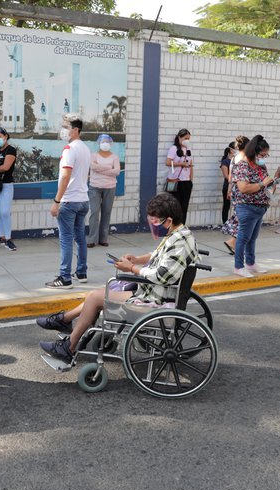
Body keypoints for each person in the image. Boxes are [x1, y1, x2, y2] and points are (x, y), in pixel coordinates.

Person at [38, 193, 198, 362]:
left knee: (94, 297)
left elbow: (160, 275)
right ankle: (64, 320)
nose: (153, 225)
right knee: (99, 294)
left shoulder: (179, 242)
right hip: (153, 291)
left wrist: (132, 268)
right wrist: (137, 260)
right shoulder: (179, 234)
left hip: (155, 300)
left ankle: (68, 345)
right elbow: (158, 256)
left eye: (155, 221)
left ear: (169, 220)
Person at [46, 113, 91, 289]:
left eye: (66, 127)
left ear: (75, 130)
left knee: (66, 239)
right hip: (83, 200)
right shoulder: (86, 149)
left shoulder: (69, 149)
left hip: (69, 201)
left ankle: (65, 277)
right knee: (80, 237)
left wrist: (56, 201)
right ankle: (81, 272)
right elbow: (85, 175)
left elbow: (65, 175)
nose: (63, 130)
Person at [231, 135, 274, 278]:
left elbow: (267, 181)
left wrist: (271, 185)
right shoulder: (242, 165)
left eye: (266, 154)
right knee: (243, 237)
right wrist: (263, 184)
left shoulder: (261, 165)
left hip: (260, 207)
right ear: (254, 152)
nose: (264, 157)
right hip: (246, 206)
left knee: (253, 237)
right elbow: (243, 188)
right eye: (262, 154)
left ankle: (251, 263)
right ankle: (239, 266)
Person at [87, 134, 121, 248]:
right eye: (103, 141)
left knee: (106, 213)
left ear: (110, 144)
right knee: (94, 212)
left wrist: (100, 169)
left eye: (107, 141)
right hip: (94, 187)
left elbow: (116, 172)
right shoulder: (93, 155)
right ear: (99, 143)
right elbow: (92, 167)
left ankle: (103, 238)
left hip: (110, 187)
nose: (105, 143)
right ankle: (92, 239)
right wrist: (108, 168)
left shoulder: (115, 157)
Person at [221, 135, 249, 255]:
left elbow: (230, 178)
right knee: (244, 220)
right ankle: (233, 242)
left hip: (236, 192)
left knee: (240, 218)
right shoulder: (246, 159)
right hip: (244, 192)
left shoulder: (234, 159)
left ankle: (235, 243)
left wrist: (229, 191)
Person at [165, 129, 194, 223]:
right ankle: (173, 228)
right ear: (179, 137)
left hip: (186, 182)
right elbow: (168, 162)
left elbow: (190, 164)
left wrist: (190, 179)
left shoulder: (188, 149)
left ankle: (181, 227)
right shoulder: (174, 148)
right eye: (185, 138)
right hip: (175, 181)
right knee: (175, 207)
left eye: (189, 139)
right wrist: (181, 164)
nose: (187, 140)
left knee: (184, 207)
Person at [219, 143, 235, 225]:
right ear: (230, 150)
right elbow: (226, 176)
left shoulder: (236, 160)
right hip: (228, 186)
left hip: (236, 187)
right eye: (234, 149)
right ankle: (224, 223)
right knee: (226, 205)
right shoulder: (225, 162)